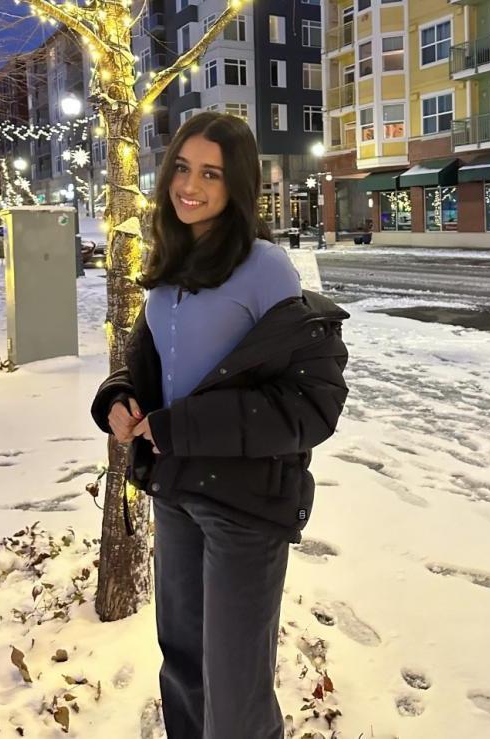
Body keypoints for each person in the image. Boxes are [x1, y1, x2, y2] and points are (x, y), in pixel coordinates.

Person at [90, 112, 350, 739]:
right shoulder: (171, 260)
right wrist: (120, 398)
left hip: (244, 503)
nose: (191, 184)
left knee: (235, 697)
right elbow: (146, 363)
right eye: (182, 167)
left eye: (211, 172)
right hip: (176, 492)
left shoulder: (265, 268)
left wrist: (183, 428)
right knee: (183, 667)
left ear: (237, 184)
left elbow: (312, 402)